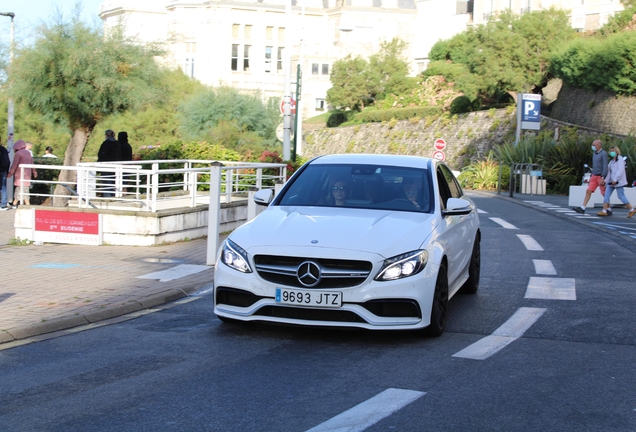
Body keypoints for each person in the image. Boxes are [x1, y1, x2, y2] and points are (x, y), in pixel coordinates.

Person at [597, 146, 636, 218]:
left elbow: (620, 171)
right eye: (611, 151)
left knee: (621, 196)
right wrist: (605, 181)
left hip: (618, 182)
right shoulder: (611, 162)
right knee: (606, 195)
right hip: (611, 182)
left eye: (613, 151)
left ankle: (631, 209)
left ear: (617, 151)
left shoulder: (620, 160)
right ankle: (604, 211)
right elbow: (609, 173)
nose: (612, 152)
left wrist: (615, 179)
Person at [573, 139, 608, 214]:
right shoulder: (594, 153)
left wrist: (603, 177)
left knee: (604, 193)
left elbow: (605, 166)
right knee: (588, 191)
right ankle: (583, 208)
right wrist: (592, 175)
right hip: (594, 175)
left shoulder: (603, 154)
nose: (593, 146)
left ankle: (608, 209)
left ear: (599, 145)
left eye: (594, 145)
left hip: (600, 176)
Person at [8, 139, 37, 207]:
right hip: (27, 174)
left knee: (20, 189)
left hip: (20, 175)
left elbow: (14, 165)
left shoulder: (18, 153)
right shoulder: (28, 152)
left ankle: (27, 204)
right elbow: (32, 163)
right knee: (23, 189)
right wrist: (34, 171)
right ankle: (15, 203)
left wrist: (10, 174)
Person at [97, 129, 121, 197]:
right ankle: (113, 197)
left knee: (106, 183)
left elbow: (102, 155)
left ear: (107, 135)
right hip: (115, 166)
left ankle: (108, 198)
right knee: (113, 183)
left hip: (106, 166)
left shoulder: (106, 144)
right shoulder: (117, 144)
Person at [0, 137, 10, 210]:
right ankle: (3, 204)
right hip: (3, 170)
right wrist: (7, 171)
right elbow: (8, 161)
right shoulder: (4, 149)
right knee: (3, 188)